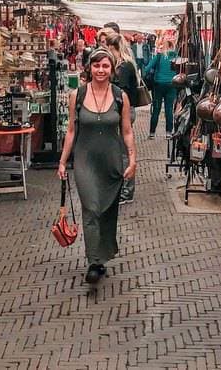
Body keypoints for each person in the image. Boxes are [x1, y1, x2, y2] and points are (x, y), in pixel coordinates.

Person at [58, 48, 137, 284]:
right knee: (91, 208)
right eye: (96, 66)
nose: (100, 70)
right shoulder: (77, 95)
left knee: (106, 210)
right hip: (85, 161)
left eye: (105, 66)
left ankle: (101, 257)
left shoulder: (121, 96)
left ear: (112, 69)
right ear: (89, 68)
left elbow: (127, 131)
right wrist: (62, 161)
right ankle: (93, 261)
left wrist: (132, 159)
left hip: (111, 161)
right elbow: (71, 132)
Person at [105, 33, 140, 204]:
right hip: (122, 112)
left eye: (109, 49)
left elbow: (122, 91)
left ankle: (126, 191)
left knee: (124, 152)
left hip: (124, 113)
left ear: (115, 48)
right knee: (121, 151)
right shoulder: (124, 65)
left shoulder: (124, 67)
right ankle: (122, 188)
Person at [143, 37, 178, 139]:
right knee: (169, 109)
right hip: (172, 85)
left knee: (156, 108)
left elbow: (147, 68)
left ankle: (152, 133)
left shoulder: (159, 56)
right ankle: (168, 133)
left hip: (158, 85)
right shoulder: (177, 57)